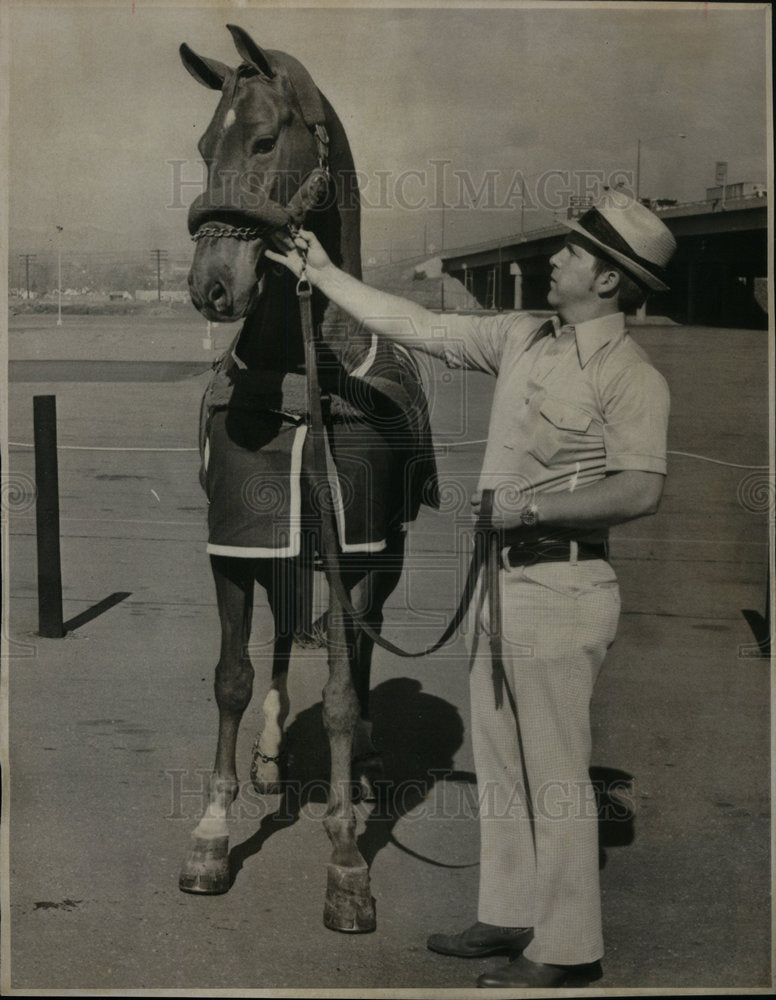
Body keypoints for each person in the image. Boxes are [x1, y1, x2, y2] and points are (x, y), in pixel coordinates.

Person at [267, 188, 677, 988]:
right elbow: (420, 326)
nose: (552, 259)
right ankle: (511, 910)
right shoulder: (527, 338)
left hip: (564, 585)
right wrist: (325, 271)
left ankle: (567, 951)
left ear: (606, 279)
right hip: (501, 585)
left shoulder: (633, 377)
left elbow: (640, 490)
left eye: (571, 252)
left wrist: (533, 506)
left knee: (557, 774)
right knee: (500, 761)